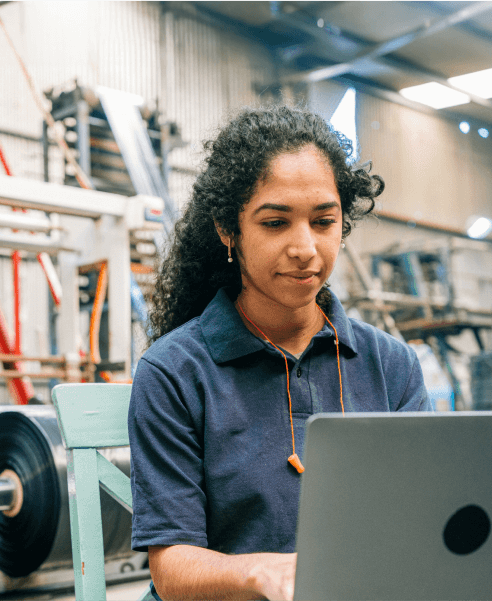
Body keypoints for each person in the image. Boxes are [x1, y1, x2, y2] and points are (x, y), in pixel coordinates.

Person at [129, 105, 430, 601]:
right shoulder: (175, 373)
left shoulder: (390, 366)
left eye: (323, 221)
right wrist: (261, 574)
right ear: (229, 231)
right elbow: (173, 570)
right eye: (275, 223)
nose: (305, 247)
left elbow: (423, 518)